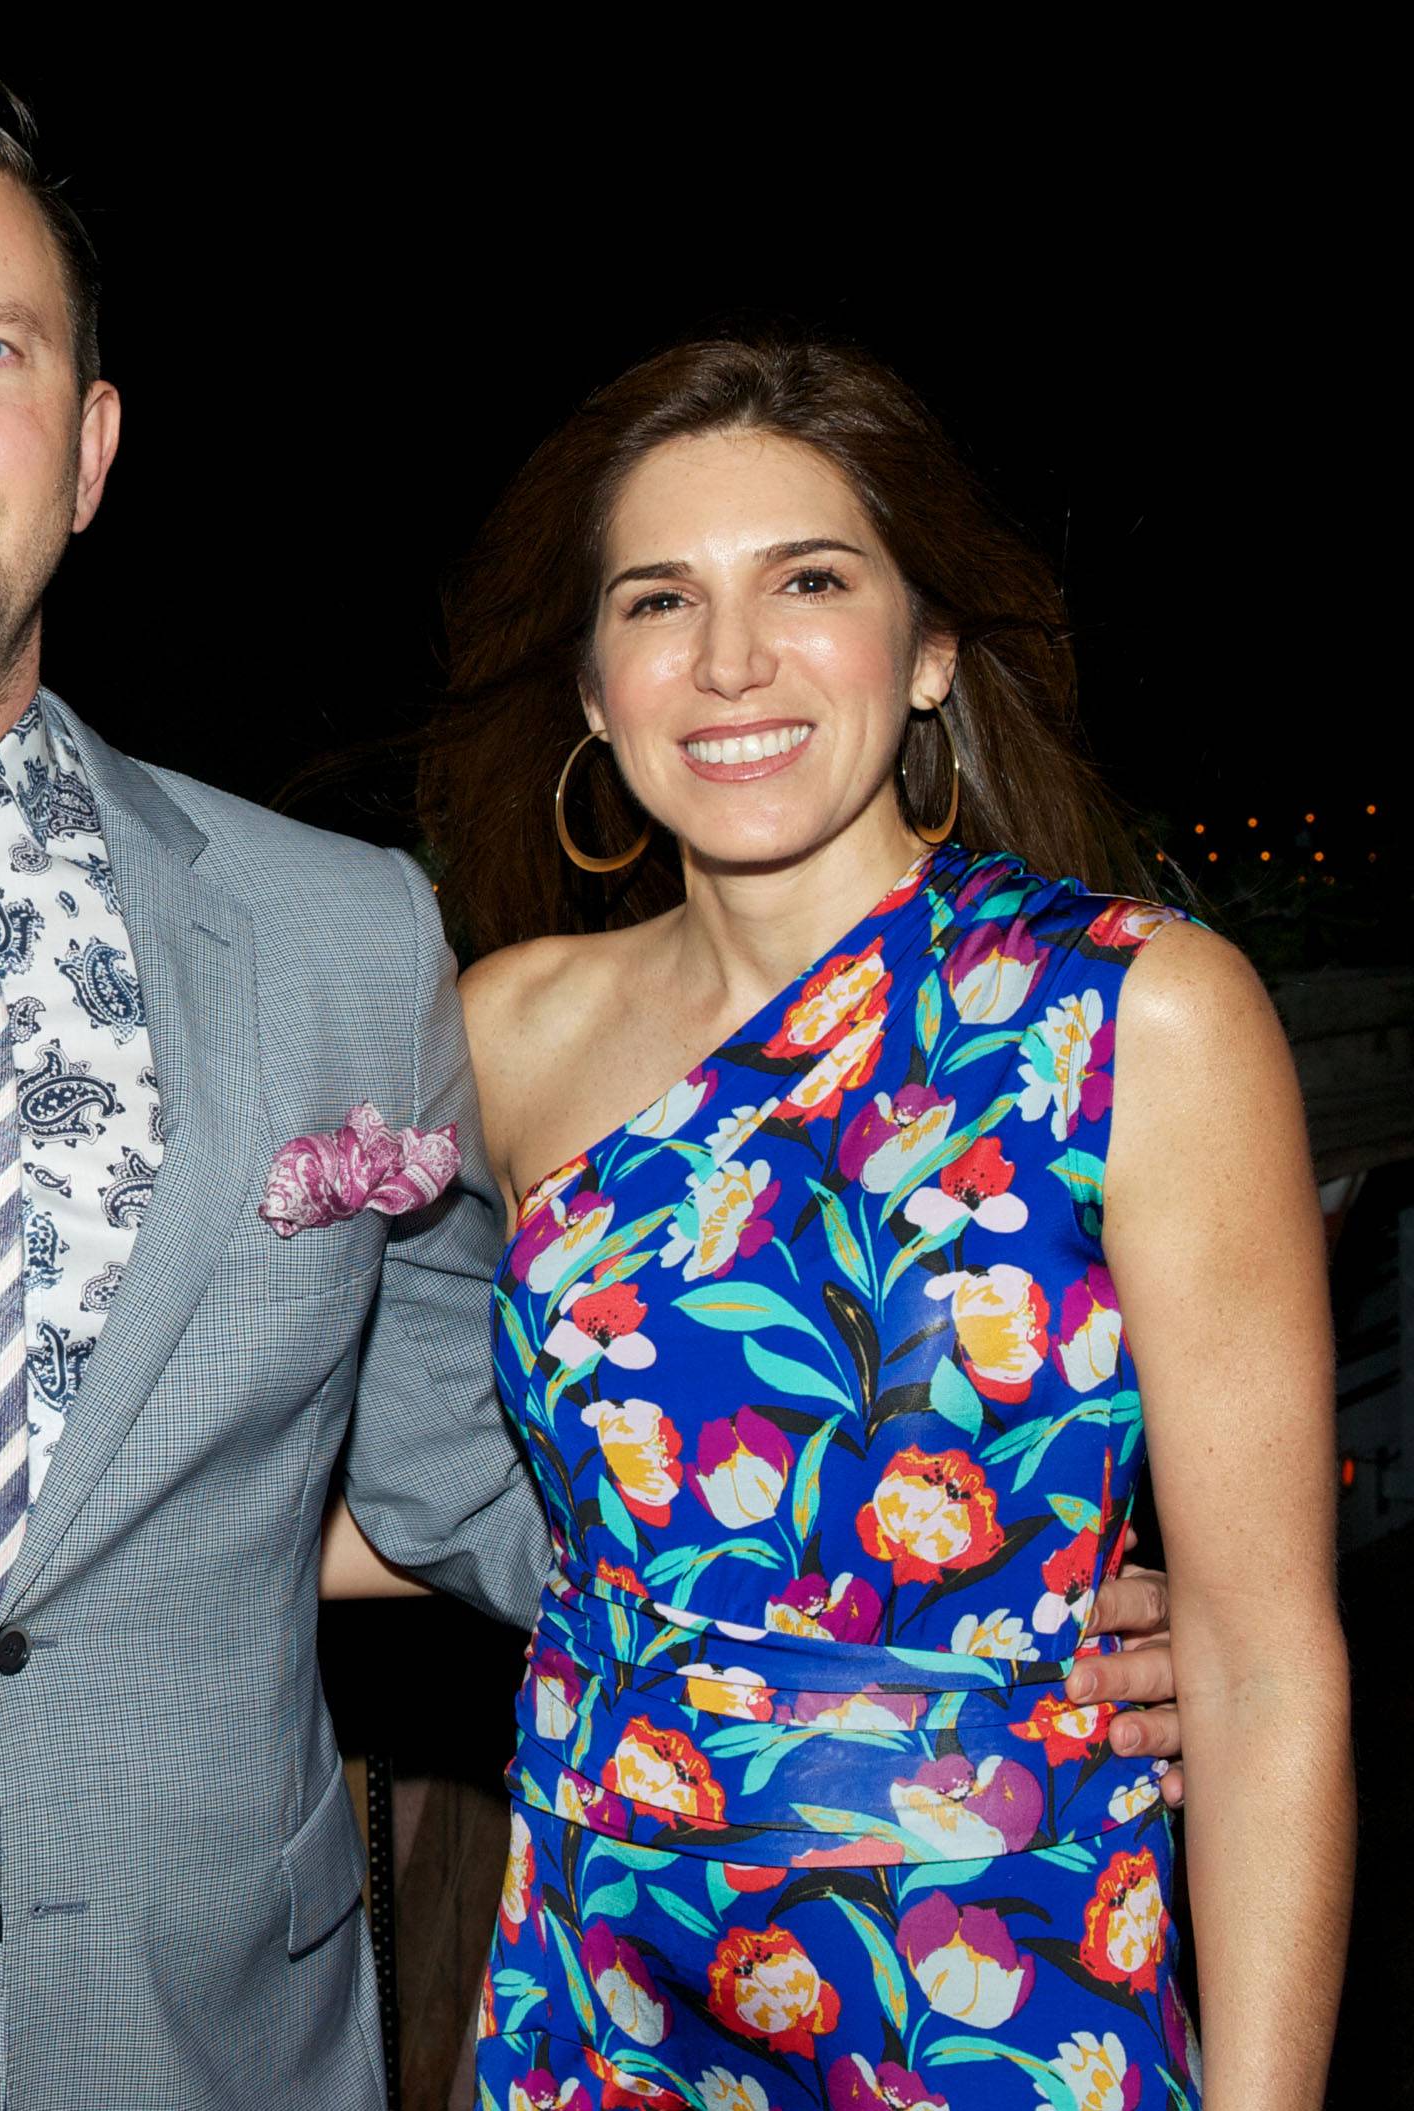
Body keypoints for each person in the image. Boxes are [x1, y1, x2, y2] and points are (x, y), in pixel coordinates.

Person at [0, 85, 1191, 2108]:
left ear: (92, 445)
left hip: (225, 2039)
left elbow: (483, 1461)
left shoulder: (345, 938)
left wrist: (961, 1611)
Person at [421, 337, 1350, 2110]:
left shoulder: (1133, 1018)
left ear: (927, 651)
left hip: (995, 1993)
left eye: (810, 582)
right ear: (595, 690)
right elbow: (412, 1469)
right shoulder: (504, 1034)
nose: (731, 660)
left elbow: (1259, 1665)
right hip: (597, 1992)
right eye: (659, 601)